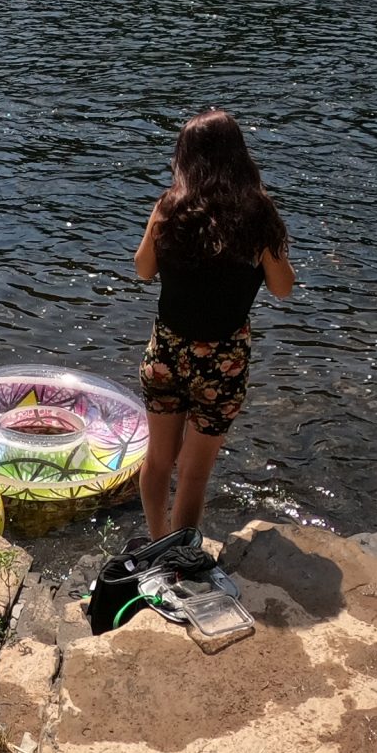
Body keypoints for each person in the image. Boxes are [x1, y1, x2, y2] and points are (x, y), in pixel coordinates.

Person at [132, 109, 295, 544]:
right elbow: (283, 288)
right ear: (239, 157)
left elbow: (143, 269)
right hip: (221, 364)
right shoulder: (258, 214)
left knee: (158, 460)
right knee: (194, 473)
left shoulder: (169, 207)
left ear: (185, 157)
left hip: (166, 353)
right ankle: (177, 557)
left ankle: (154, 543)